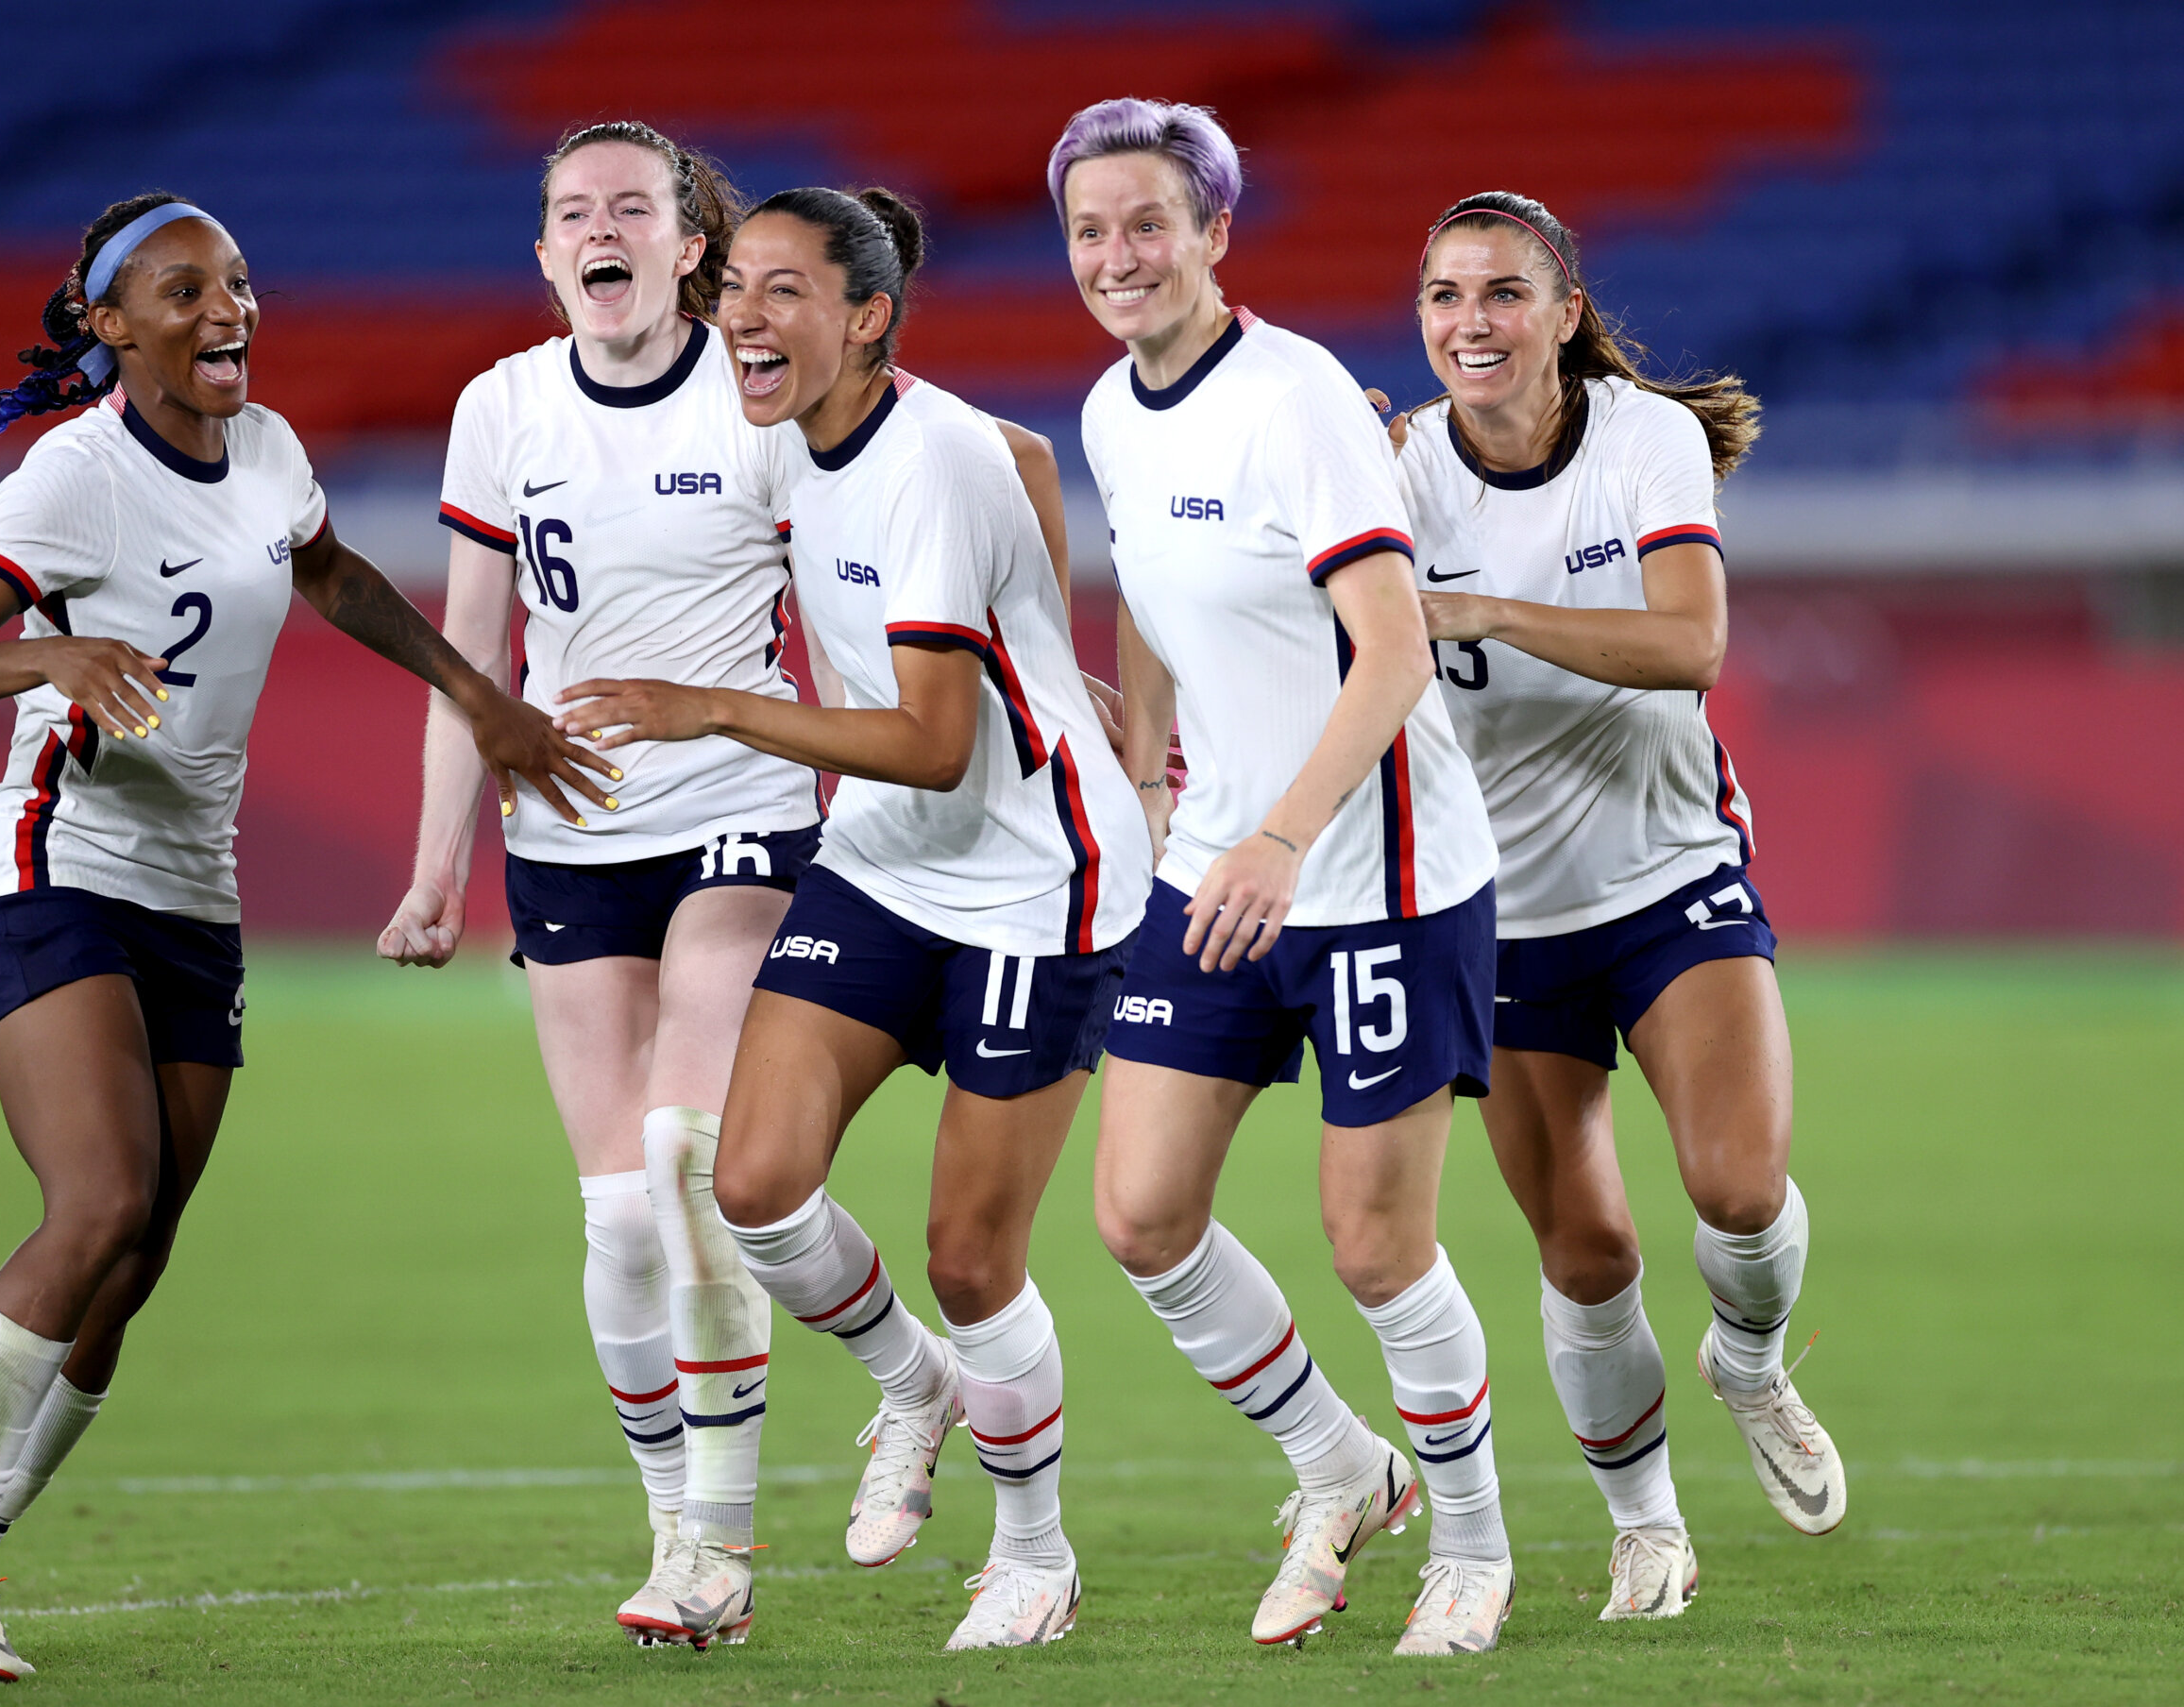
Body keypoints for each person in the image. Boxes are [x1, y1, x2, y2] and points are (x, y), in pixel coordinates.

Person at [374, 123, 1102, 1651]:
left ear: (688, 244)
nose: (601, 228)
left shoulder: (759, 376)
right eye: (571, 208)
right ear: (543, 249)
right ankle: (888, 1388)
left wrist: (1062, 673)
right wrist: (438, 865)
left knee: (693, 1154)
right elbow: (467, 651)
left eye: (632, 205)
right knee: (622, 1223)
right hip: (565, 834)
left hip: (744, 816)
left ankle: (715, 1551)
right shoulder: (502, 408)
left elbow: (1003, 456)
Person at [0, 193, 593, 1682]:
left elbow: (328, 572)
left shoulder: (264, 450)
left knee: (137, 1254)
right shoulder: (70, 478)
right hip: (51, 860)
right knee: (99, 1203)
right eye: (185, 290)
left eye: (241, 283)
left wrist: (479, 693)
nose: (229, 310)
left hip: (192, 893)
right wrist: (51, 649)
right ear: (112, 328)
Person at [562, 184, 1149, 1651]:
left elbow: (938, 739)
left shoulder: (928, 467)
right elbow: (1023, 451)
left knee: (972, 1258)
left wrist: (712, 708)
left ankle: (1034, 1553)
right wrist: (1063, 662)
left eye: (780, 292)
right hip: (887, 863)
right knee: (751, 1184)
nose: (741, 319)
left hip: (1037, 878)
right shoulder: (801, 434)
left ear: (867, 318)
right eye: (735, 287)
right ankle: (913, 1381)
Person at [1050, 99, 1516, 1659]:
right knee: (1140, 1215)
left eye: (1146, 222)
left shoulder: (1299, 395)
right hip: (1215, 870)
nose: (1117, 255)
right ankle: (1341, 1467)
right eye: (1089, 228)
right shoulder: (1114, 410)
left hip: (1375, 869)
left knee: (1377, 1246)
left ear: (1214, 232)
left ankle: (1473, 1541)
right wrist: (1153, 757)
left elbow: (1390, 654)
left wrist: (1281, 832)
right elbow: (1149, 585)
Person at [1388, 188, 1843, 1623]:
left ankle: (1753, 1364)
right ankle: (1645, 1524)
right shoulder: (1394, 467)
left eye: (1504, 293)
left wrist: (1484, 611)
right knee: (1586, 1256)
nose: (1474, 322)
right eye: (1448, 296)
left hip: (1667, 880)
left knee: (1738, 1191)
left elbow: (1691, 644)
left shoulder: (1639, 440)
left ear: (1565, 313)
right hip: (1499, 917)